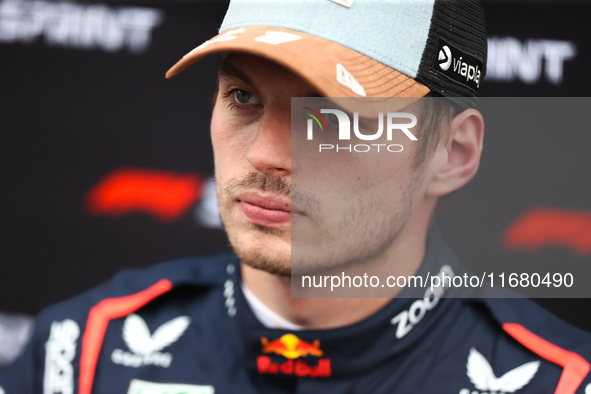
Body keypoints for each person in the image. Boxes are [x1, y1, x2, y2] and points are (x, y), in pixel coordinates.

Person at [2, 0, 591, 393]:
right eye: (243, 98)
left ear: (453, 153)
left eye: (333, 117)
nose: (265, 154)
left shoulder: (560, 382)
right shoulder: (81, 352)